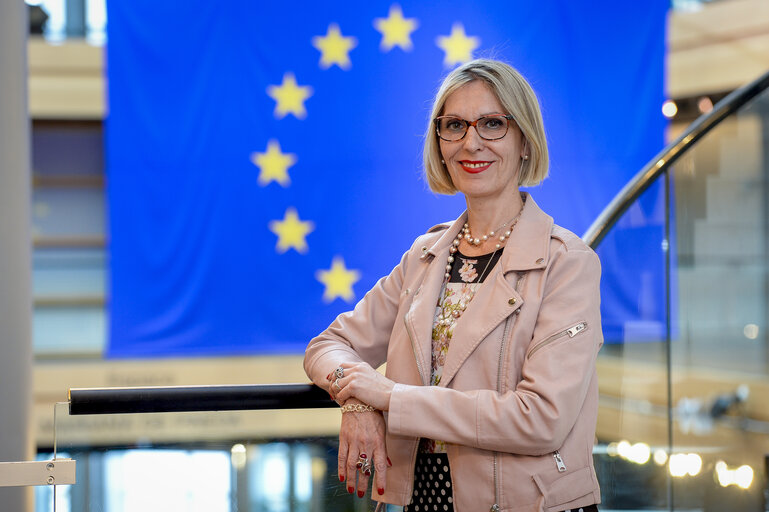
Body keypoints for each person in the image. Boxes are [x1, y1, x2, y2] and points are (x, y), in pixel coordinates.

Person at [304, 58, 602, 512]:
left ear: (524, 140)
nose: (471, 142)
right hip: (420, 502)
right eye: (455, 125)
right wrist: (357, 401)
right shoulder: (425, 257)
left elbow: (541, 419)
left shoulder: (569, 263)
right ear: (439, 142)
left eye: (492, 124)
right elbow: (329, 345)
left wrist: (389, 397)